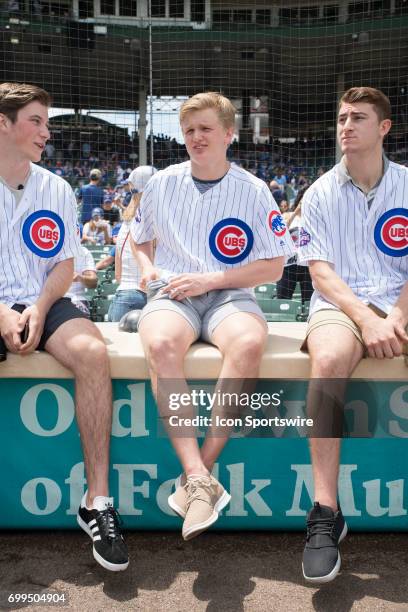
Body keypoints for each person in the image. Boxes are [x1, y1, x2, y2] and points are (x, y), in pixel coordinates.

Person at [131, 92, 294, 540]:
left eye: (205, 129)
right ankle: (199, 478)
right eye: (189, 131)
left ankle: (199, 475)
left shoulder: (254, 189)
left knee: (247, 343)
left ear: (229, 134)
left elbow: (275, 264)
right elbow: (139, 238)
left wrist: (211, 279)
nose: (196, 137)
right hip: (175, 292)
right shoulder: (162, 183)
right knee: (161, 344)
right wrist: (147, 270)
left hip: (227, 293)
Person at [0, 82, 128, 571]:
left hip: (43, 298)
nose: (45, 133)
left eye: (46, 123)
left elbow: (64, 262)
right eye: (35, 121)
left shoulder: (54, 186)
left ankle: (97, 502)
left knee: (93, 353)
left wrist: (36, 306)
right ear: (4, 123)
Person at [298, 86, 408, 583]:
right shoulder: (319, 191)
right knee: (327, 362)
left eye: (358, 118)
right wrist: (367, 319)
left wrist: (397, 315)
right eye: (342, 117)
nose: (346, 125)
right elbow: (321, 274)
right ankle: (325, 512)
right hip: (342, 305)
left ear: (384, 128)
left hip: (400, 303)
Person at [107, 166, 156, 322]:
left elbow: (118, 274)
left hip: (123, 294)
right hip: (147, 294)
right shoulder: (154, 219)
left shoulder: (126, 220)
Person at [276, 187, 313, 303]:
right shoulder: (287, 215)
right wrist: (296, 212)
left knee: (308, 301)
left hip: (308, 265)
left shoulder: (314, 218)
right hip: (288, 264)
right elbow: (279, 231)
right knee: (283, 299)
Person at [65, 245, 97, 316]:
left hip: (76, 298)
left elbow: (93, 282)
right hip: (53, 299)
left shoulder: (84, 251)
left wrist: (80, 278)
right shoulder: (49, 250)